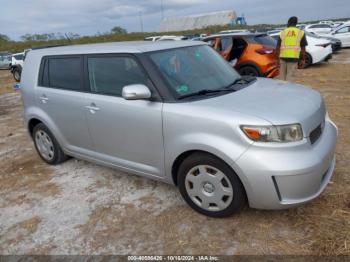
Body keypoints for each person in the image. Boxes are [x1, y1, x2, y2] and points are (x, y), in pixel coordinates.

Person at [276, 16, 308, 81]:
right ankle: (288, 90)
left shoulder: (283, 32)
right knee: (290, 79)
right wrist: (303, 59)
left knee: (281, 79)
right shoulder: (300, 32)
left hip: (283, 58)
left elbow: (278, 47)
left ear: (289, 22)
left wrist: (277, 59)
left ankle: (282, 90)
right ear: (296, 23)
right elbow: (303, 48)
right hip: (294, 59)